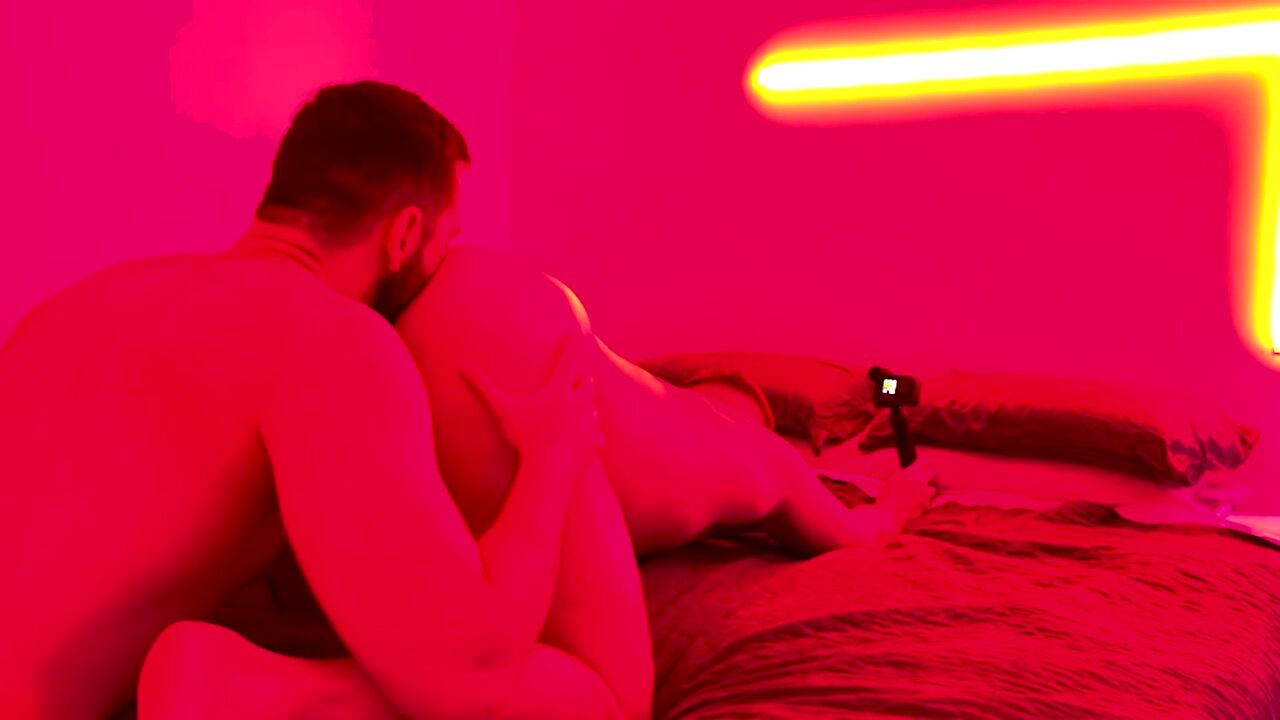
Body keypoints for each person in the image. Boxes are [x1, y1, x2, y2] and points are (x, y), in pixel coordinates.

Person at [0, 78, 932, 719]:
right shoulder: (325, 340)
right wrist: (550, 464)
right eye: (445, 243)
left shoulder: (75, 307)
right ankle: (259, 695)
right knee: (601, 705)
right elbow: (467, 673)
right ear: (406, 234)